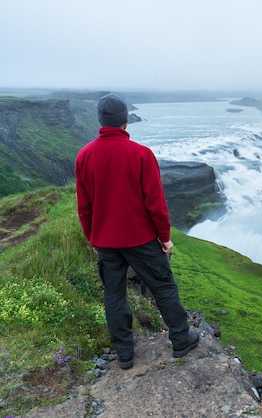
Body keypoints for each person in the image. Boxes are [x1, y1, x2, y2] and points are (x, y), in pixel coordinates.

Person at [75, 93, 199, 369]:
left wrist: (92, 237)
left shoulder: (84, 156)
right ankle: (181, 340)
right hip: (141, 239)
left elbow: (84, 207)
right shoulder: (141, 154)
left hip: (106, 241)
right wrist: (164, 237)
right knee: (163, 286)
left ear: (100, 120)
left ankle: (124, 354)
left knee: (114, 293)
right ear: (125, 121)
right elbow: (156, 204)